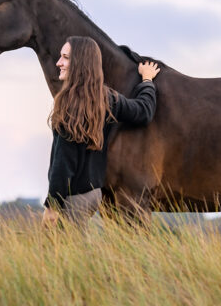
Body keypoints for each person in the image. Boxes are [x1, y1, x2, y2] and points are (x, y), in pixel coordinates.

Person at [43, 36, 160, 228]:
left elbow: (62, 163)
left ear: (80, 63)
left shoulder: (67, 104)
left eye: (65, 57)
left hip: (72, 198)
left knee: (60, 252)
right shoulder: (106, 98)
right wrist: (147, 80)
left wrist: (52, 206)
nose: (59, 63)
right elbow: (143, 111)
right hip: (93, 194)